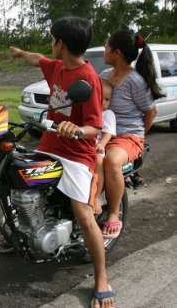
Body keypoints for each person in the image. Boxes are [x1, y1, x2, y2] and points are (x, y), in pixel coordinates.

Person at [10, 17, 114, 308]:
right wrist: (20, 54)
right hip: (48, 144)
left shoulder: (88, 79)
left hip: (76, 154)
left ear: (62, 44)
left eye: (53, 39)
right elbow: (37, 59)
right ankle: (19, 231)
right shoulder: (56, 66)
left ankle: (102, 278)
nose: (50, 44)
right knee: (13, 176)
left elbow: (96, 125)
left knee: (83, 214)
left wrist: (76, 129)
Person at [101, 31, 161, 239]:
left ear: (116, 53)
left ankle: (114, 214)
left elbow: (151, 112)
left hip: (128, 137)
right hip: (103, 133)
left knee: (111, 160)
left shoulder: (135, 81)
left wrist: (139, 136)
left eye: (107, 46)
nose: (104, 49)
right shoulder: (103, 76)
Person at [94, 80, 116, 214]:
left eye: (107, 99)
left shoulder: (107, 114)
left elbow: (108, 133)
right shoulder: (88, 112)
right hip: (83, 146)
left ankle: (97, 197)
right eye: (101, 98)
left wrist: (101, 144)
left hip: (97, 148)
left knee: (98, 162)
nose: (104, 103)